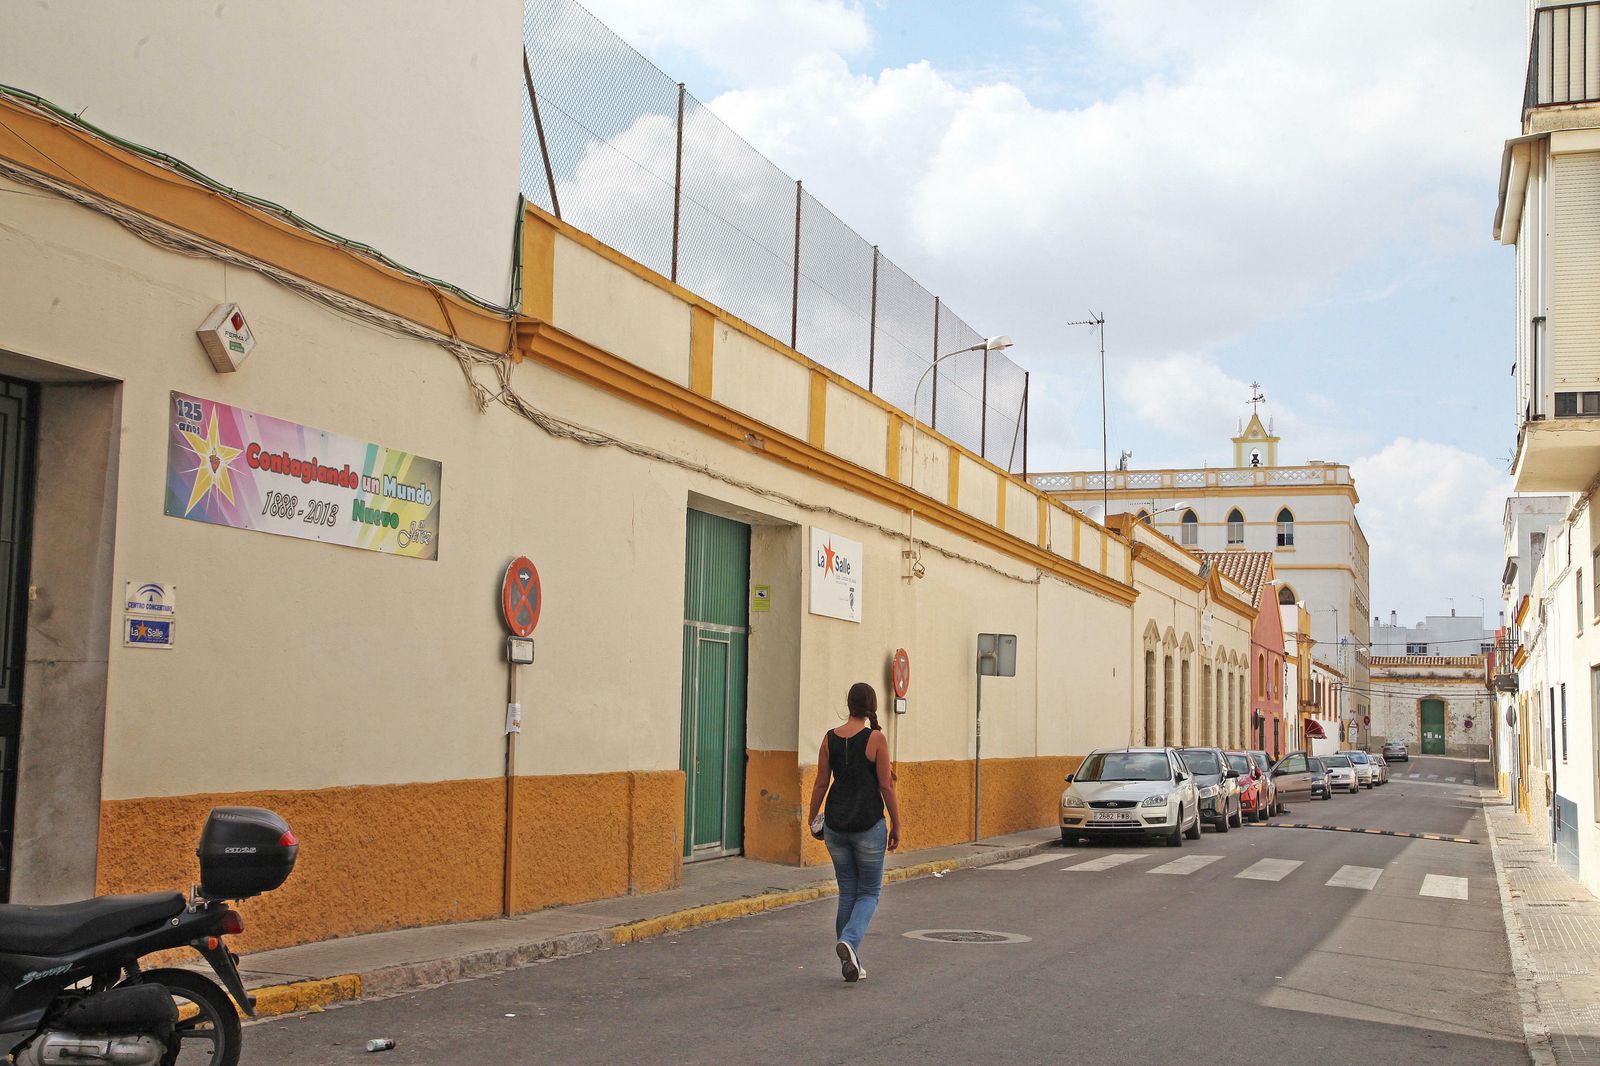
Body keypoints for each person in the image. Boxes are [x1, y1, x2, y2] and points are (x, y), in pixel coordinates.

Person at [806, 682, 902, 983]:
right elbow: (886, 785)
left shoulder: (828, 739)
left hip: (836, 826)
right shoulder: (876, 739)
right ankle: (849, 940)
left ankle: (852, 962)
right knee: (870, 892)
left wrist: (812, 817)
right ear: (872, 705)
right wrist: (897, 823)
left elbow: (821, 783)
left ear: (848, 704)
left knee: (847, 892)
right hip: (868, 826)